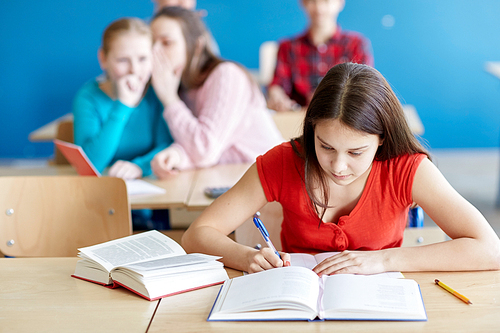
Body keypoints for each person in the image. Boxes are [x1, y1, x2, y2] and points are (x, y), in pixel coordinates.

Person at [182, 62, 500, 275]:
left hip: (380, 300)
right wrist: (245, 256)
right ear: (311, 132)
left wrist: (384, 260)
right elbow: (197, 235)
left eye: (356, 152)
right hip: (298, 302)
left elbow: (490, 249)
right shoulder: (283, 161)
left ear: (381, 140)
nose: (339, 165)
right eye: (326, 147)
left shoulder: (407, 169)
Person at [150, 7, 283, 178]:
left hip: (273, 181)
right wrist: (177, 155)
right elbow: (207, 149)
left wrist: (169, 99)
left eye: (166, 43)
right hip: (232, 179)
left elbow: (205, 150)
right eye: (151, 43)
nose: (154, 52)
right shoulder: (181, 86)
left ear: (197, 46)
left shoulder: (226, 75)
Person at [73, 17, 173, 179]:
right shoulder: (88, 98)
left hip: (150, 189)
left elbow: (166, 145)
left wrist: (140, 166)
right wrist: (123, 105)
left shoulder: (156, 92)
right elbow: (90, 164)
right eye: (123, 60)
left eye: (142, 59)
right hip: (104, 192)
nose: (134, 70)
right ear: (103, 59)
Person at [267, 0, 373, 112]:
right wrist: (277, 97)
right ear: (303, 3)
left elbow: (363, 88)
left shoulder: (356, 44)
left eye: (326, 1)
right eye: (312, 1)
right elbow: (278, 84)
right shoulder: (287, 47)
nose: (319, 8)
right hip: (299, 118)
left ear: (340, 3)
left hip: (342, 117)